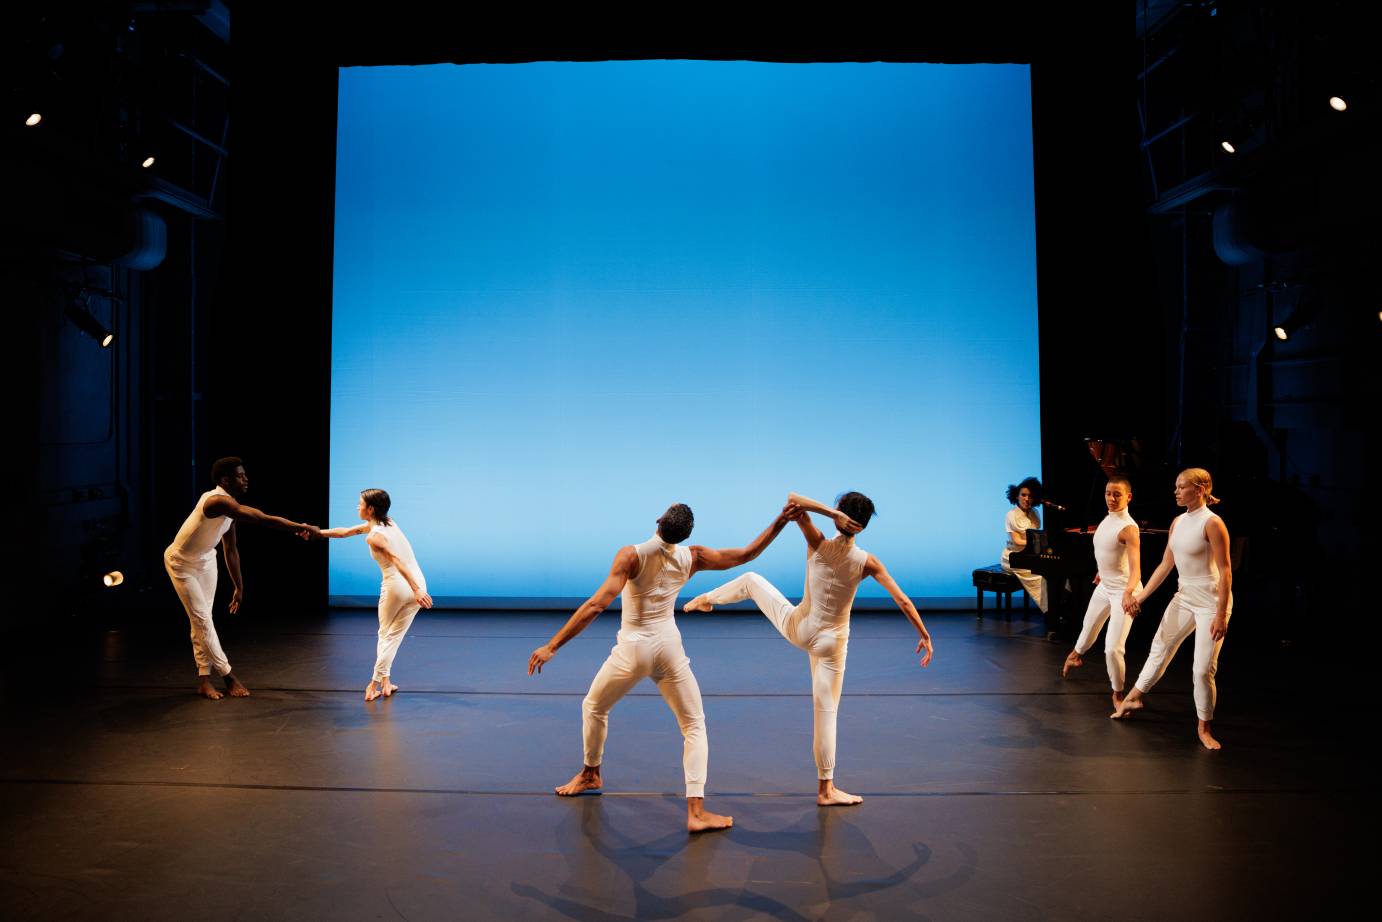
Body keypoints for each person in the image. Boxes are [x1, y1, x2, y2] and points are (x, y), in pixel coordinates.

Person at [527, 501, 800, 832]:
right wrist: (781, 520)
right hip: (669, 648)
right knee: (694, 725)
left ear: (658, 521)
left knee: (594, 707)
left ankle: (590, 773)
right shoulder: (694, 557)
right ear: (686, 535)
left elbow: (597, 605)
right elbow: (747, 554)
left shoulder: (631, 555)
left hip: (632, 650)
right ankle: (696, 812)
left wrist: (552, 646)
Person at [684, 491, 934, 806]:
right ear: (862, 526)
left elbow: (794, 500)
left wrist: (831, 514)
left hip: (800, 628)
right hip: (832, 643)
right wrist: (924, 635)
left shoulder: (817, 541)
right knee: (826, 713)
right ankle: (826, 790)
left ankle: (707, 599)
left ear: (841, 515)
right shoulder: (867, 562)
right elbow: (902, 600)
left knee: (750, 580)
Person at [164, 457, 320, 700]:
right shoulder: (216, 501)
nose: (246, 479)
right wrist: (300, 527)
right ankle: (229, 677)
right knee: (202, 619)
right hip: (181, 564)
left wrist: (238, 586)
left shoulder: (230, 507)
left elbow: (230, 549)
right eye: (240, 475)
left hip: (206, 560)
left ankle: (204, 680)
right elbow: (262, 518)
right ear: (225, 480)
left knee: (202, 619)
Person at [1112, 468, 1234, 750]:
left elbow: (1226, 572)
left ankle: (1204, 727)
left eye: (1181, 487)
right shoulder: (1178, 521)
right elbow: (1166, 565)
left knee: (1202, 670)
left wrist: (1220, 614)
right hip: (1185, 597)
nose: (1176, 491)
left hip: (1212, 602)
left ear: (1199, 490)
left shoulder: (1213, 523)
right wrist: (1139, 598)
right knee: (1160, 648)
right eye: (1176, 487)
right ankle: (1133, 697)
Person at [321, 489, 433, 701]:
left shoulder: (374, 537)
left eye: (360, 503)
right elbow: (344, 532)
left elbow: (396, 560)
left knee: (385, 635)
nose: (357, 507)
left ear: (370, 509)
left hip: (399, 586)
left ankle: (373, 685)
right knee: (393, 637)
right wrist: (316, 532)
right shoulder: (388, 523)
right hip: (418, 582)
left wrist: (415, 589)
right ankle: (386, 682)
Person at [1062, 476, 1143, 710]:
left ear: (1128, 497)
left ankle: (1118, 694)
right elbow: (1106, 550)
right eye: (1108, 493)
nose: (1111, 498)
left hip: (1124, 592)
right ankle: (1075, 656)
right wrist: (1102, 571)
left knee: (1113, 648)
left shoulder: (1129, 529)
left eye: (1117, 494)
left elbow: (1136, 570)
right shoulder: (1107, 519)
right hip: (1105, 585)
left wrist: (1129, 593)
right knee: (1088, 627)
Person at [1001, 476, 1049, 612]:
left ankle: (1061, 606)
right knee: (1040, 576)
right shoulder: (1011, 515)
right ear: (1017, 496)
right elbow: (1017, 541)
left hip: (1030, 554)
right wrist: (1037, 542)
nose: (1027, 499)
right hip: (1013, 556)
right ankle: (1049, 610)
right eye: (1023, 495)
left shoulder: (1035, 513)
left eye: (1030, 496)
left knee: (1052, 571)